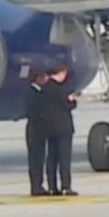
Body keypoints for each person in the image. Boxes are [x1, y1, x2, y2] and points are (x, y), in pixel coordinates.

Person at [37, 65, 78, 195]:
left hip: (49, 127)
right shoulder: (60, 90)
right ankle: (66, 186)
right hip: (63, 127)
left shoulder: (44, 89)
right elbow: (67, 105)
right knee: (64, 158)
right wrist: (73, 101)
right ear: (61, 73)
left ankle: (52, 186)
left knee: (52, 158)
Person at [24, 70, 50, 196]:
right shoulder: (32, 93)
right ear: (38, 78)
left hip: (37, 128)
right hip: (36, 129)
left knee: (38, 159)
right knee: (35, 159)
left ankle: (37, 185)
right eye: (44, 78)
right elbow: (34, 111)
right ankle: (36, 186)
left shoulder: (36, 92)